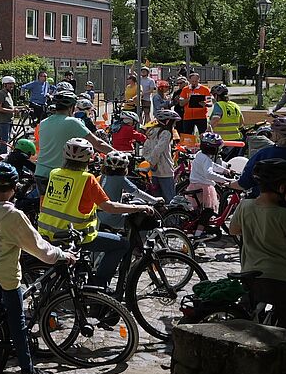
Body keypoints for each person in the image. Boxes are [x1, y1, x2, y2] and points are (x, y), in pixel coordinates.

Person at [0, 161, 75, 374]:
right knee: (18, 323)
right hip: (6, 274)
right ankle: (28, 371)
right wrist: (62, 254)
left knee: (4, 313)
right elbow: (39, 248)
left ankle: (3, 345)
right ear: (14, 188)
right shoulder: (13, 216)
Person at [37, 138, 156, 289]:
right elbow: (109, 207)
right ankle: (100, 286)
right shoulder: (87, 179)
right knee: (121, 245)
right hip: (74, 234)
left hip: (47, 231)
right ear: (89, 159)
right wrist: (138, 208)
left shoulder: (55, 173)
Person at [227, 159, 286, 333]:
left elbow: (234, 230)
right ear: (282, 188)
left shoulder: (245, 205)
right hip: (280, 280)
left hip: (249, 274)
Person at [33, 89, 111, 188]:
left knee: (45, 203)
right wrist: (118, 153)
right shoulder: (73, 122)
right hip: (61, 175)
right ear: (72, 107)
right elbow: (97, 143)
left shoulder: (44, 122)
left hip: (41, 173)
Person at [185, 132, 236, 231]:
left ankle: (198, 230)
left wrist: (226, 171)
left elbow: (213, 166)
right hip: (204, 188)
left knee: (199, 211)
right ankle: (198, 234)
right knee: (208, 211)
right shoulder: (206, 158)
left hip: (195, 185)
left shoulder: (200, 155)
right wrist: (226, 179)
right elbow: (209, 174)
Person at [142, 110, 181, 202]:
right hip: (165, 170)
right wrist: (153, 162)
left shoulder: (151, 131)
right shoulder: (166, 133)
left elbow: (145, 150)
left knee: (157, 198)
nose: (174, 125)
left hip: (154, 171)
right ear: (167, 121)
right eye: (173, 122)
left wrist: (150, 162)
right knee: (169, 198)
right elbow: (159, 149)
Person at [177, 72, 213, 136]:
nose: (194, 83)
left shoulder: (205, 89)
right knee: (188, 136)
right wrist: (189, 99)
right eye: (192, 81)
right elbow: (181, 104)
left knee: (203, 135)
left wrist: (205, 104)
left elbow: (210, 103)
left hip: (201, 116)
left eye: (196, 81)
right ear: (189, 80)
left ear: (199, 80)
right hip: (188, 117)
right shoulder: (185, 89)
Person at [0, 76, 19, 151]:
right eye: (10, 84)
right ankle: (3, 156)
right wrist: (12, 111)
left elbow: (11, 107)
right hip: (3, 120)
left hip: (9, 120)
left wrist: (22, 107)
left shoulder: (8, 94)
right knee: (4, 140)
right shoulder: (1, 93)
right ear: (4, 84)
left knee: (8, 139)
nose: (12, 86)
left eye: (12, 84)